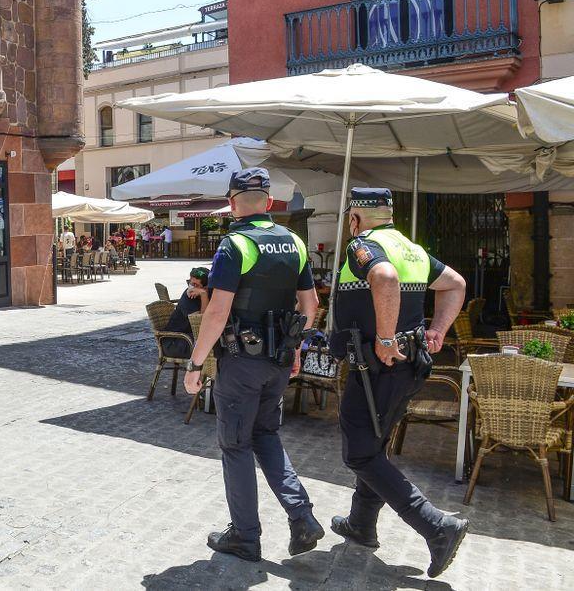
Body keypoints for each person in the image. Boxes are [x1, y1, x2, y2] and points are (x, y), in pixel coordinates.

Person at [329, 188, 469, 579]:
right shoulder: (413, 249)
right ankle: (361, 523)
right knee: (375, 444)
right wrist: (438, 330)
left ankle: (437, 526)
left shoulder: (365, 246)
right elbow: (455, 283)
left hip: (376, 368)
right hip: (408, 366)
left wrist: (386, 338)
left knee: (359, 453)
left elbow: (384, 277)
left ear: (355, 218)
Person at [184, 168, 323, 562]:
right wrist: (296, 347)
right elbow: (310, 306)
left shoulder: (234, 245)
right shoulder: (294, 241)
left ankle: (245, 536)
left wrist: (196, 364)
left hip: (241, 364)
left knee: (236, 445)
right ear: (269, 202)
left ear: (231, 203)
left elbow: (217, 313)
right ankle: (301, 516)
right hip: (278, 361)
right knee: (266, 436)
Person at [160, 266, 210, 358]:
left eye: (196, 285)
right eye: (191, 283)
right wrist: (203, 294)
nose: (192, 287)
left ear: (206, 287)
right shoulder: (189, 297)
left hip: (188, 338)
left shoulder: (205, 295)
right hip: (175, 343)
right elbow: (200, 323)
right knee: (211, 345)